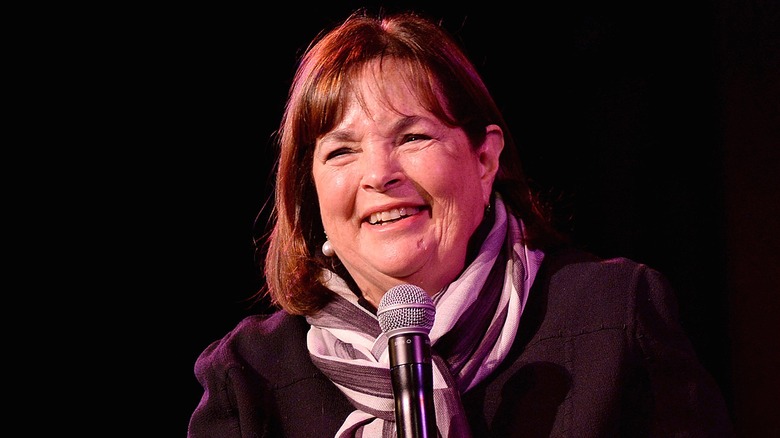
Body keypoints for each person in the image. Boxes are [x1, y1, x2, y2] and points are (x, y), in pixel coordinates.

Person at [188, 9, 734, 437]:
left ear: (484, 159)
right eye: (341, 152)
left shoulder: (614, 316)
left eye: (414, 137)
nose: (380, 175)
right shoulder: (248, 376)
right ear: (310, 191)